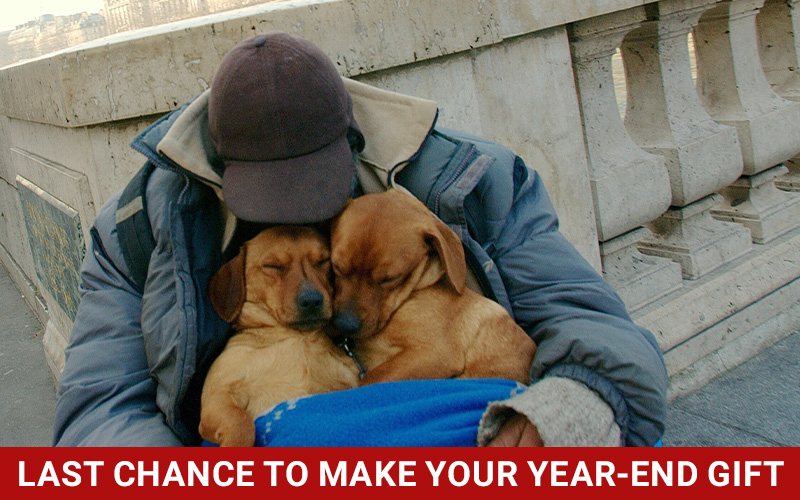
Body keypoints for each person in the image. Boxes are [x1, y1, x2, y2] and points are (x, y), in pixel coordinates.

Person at [53, 32, 667, 447]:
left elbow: (588, 316)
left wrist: (572, 409)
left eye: (317, 198)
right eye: (270, 200)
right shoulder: (135, 228)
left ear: (353, 139)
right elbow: (98, 405)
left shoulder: (475, 180)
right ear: (219, 164)